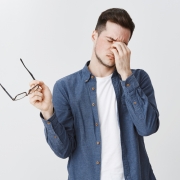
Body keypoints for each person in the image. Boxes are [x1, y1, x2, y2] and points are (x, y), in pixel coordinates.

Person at [29, 8, 159, 180]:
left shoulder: (138, 79)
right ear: (94, 36)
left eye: (123, 45)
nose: (115, 49)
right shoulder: (66, 87)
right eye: (110, 40)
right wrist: (48, 112)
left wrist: (126, 76)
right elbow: (63, 150)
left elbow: (148, 127)